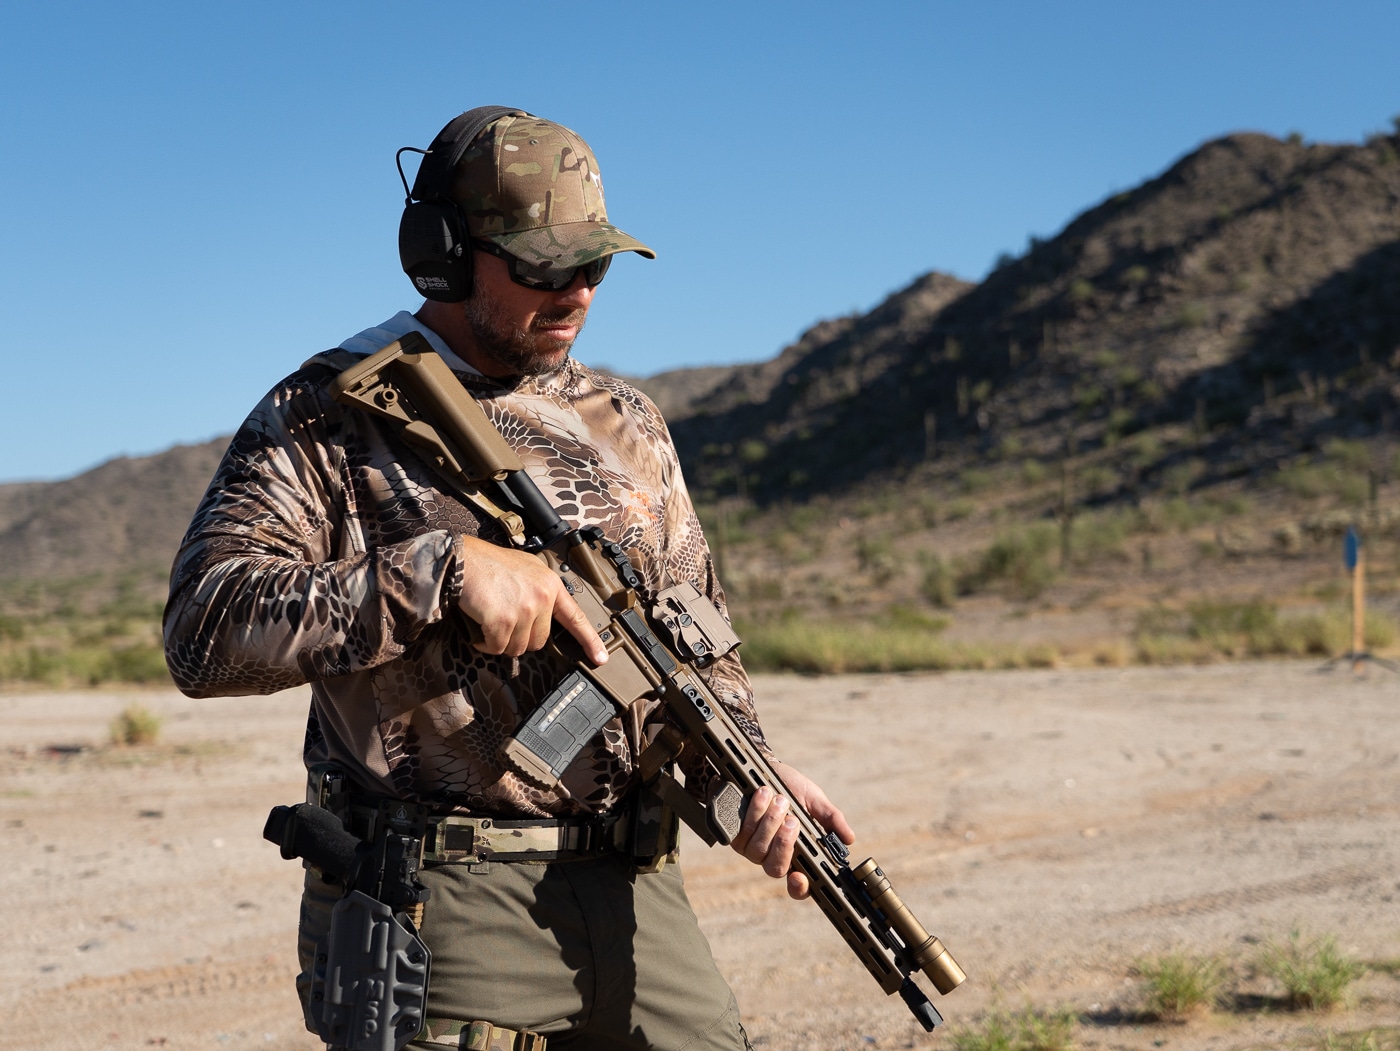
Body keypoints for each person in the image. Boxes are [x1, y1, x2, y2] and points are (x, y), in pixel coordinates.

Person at [163, 107, 853, 1051]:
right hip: (445, 902)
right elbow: (202, 631)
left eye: (595, 264)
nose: (577, 292)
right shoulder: (326, 412)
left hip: (638, 897)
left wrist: (751, 775)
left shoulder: (630, 423)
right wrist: (437, 575)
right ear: (446, 254)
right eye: (541, 265)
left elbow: (695, 637)